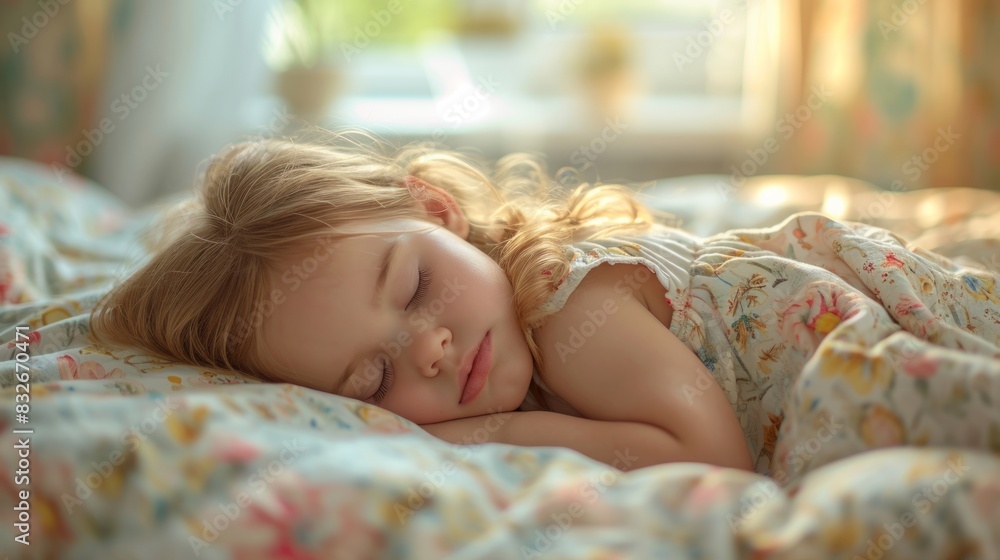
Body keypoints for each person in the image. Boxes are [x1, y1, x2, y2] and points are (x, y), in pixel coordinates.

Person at [89, 131, 1000, 479]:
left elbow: (712, 458)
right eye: (372, 377)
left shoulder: (571, 311)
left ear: (440, 211)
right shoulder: (515, 337)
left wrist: (483, 437)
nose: (432, 351)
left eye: (413, 288)